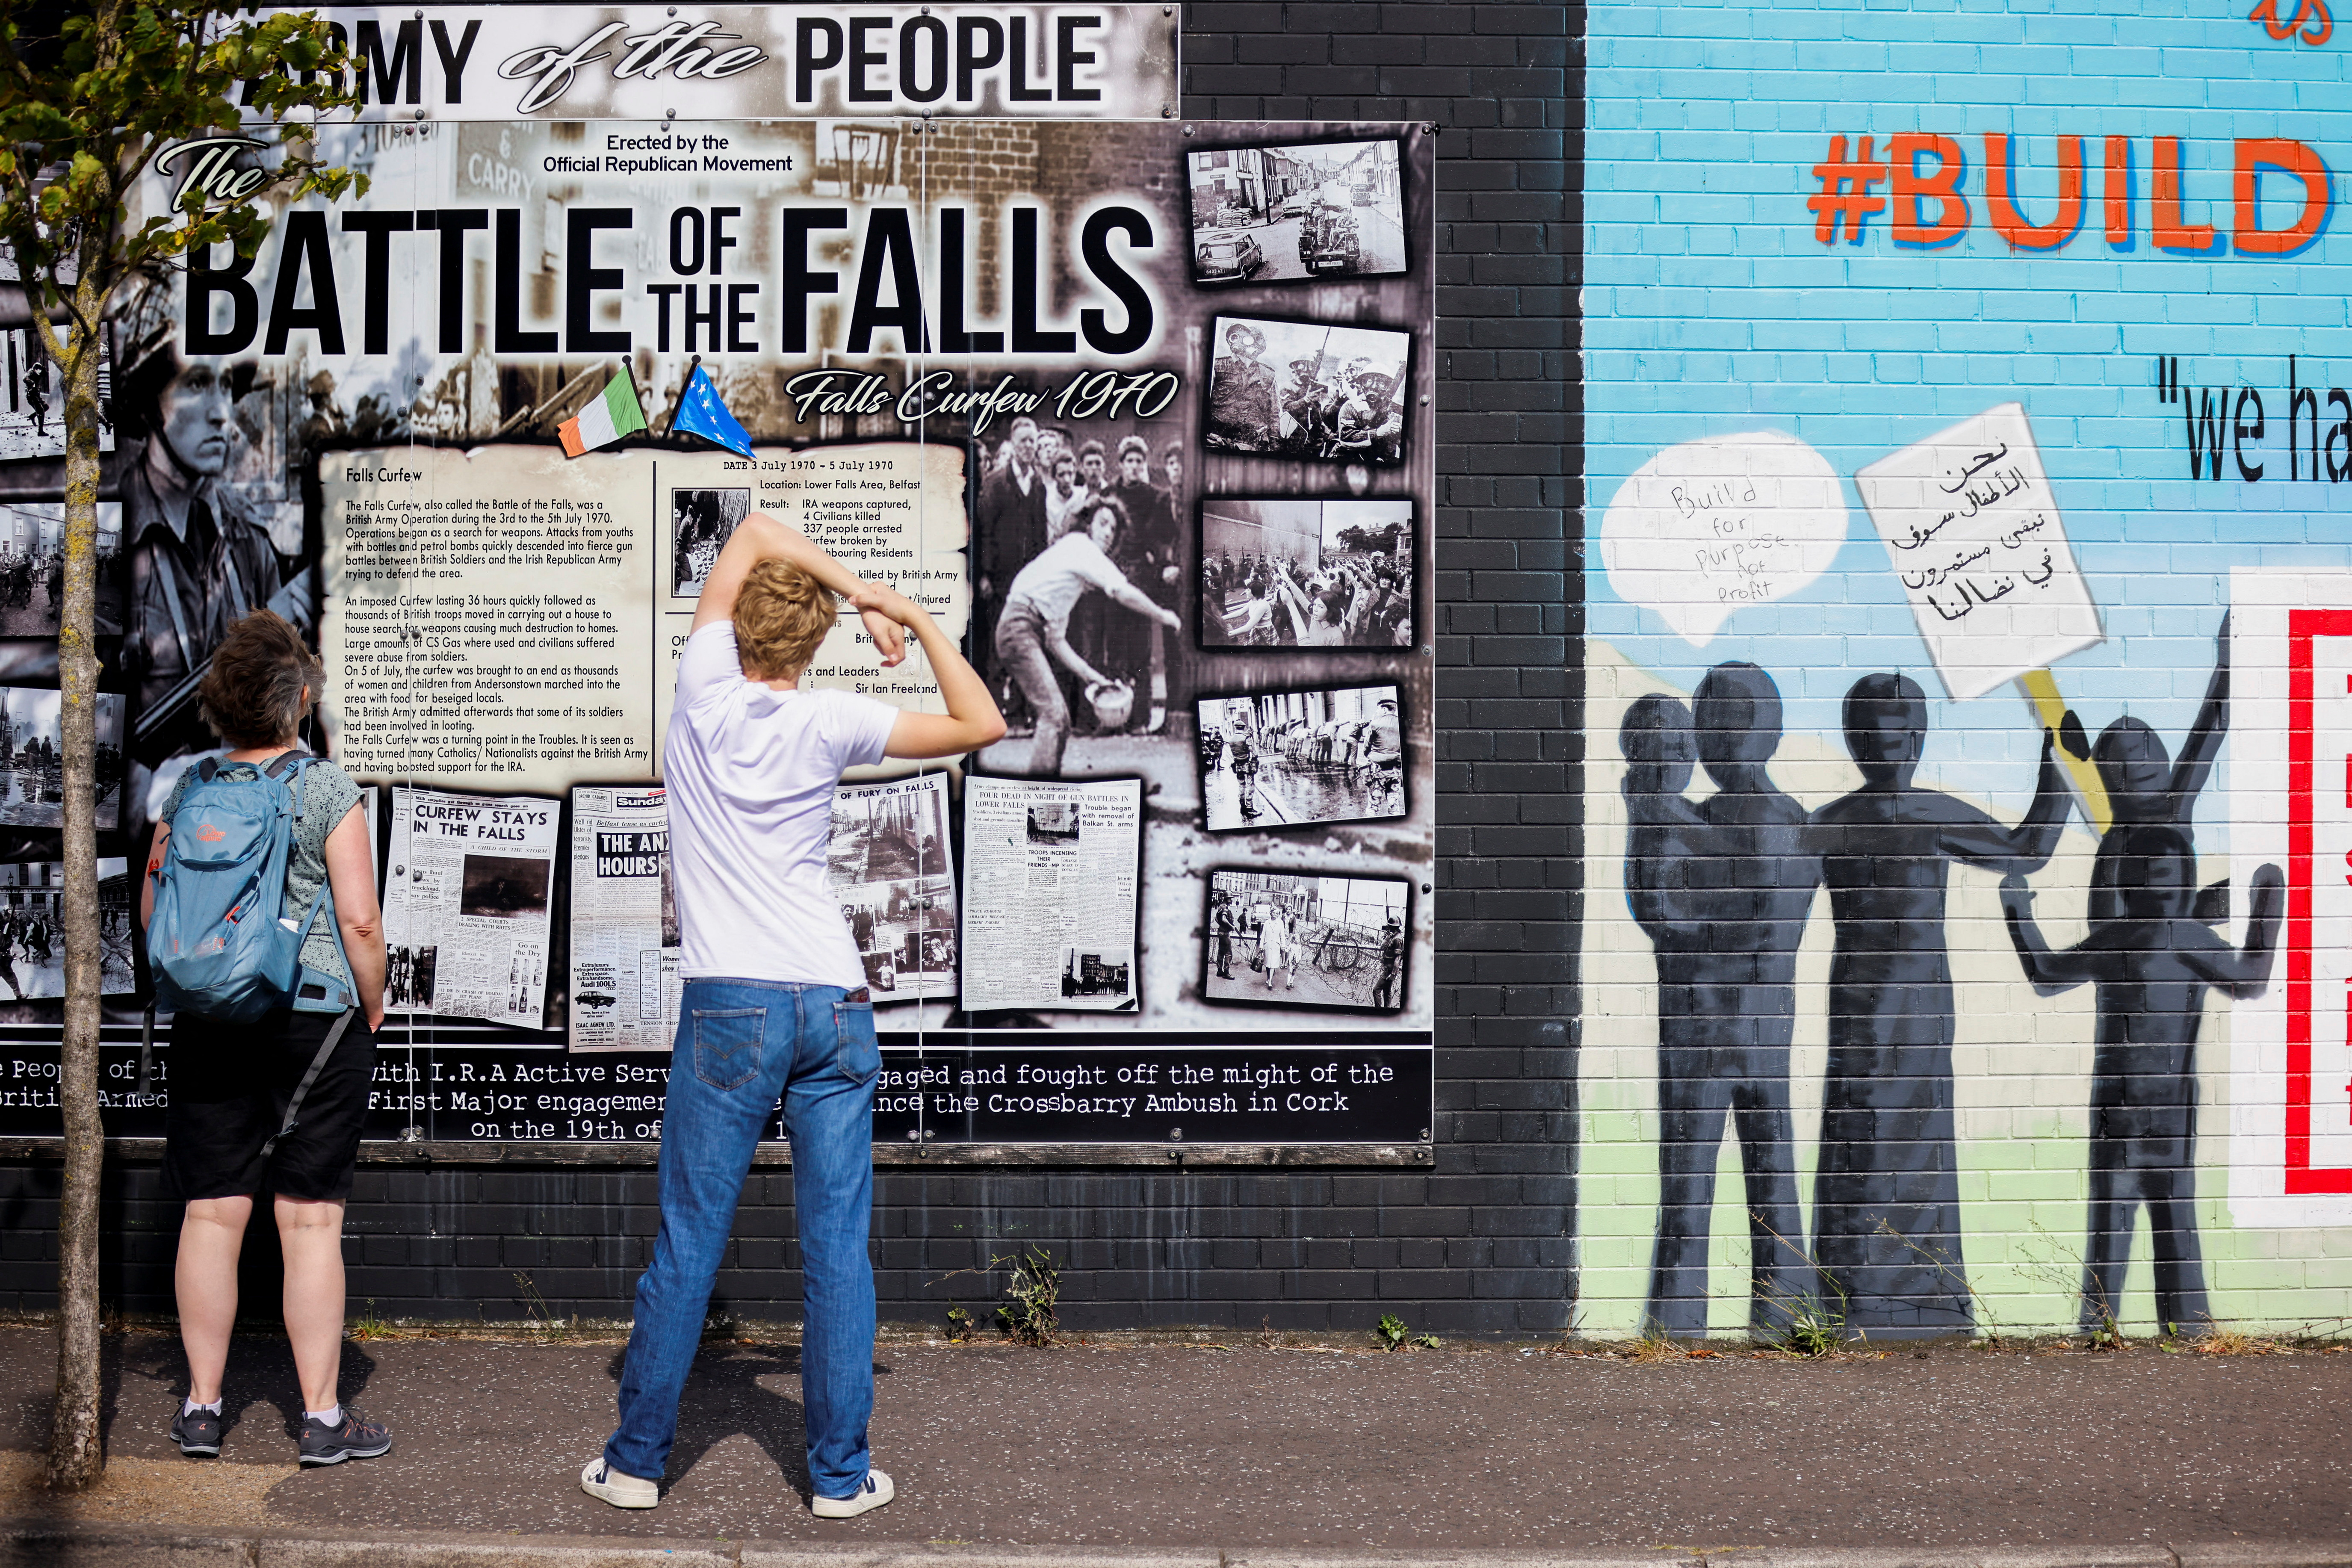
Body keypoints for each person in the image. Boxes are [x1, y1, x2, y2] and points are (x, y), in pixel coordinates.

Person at [583, 511, 1002, 1520]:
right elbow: (981, 721)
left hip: (731, 1003)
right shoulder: (832, 720)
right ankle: (839, 1474)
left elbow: (755, 528)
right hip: (834, 998)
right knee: (835, 1250)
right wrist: (902, 611)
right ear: (813, 644)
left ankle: (638, 1461)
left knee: (690, 1236)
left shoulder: (700, 692)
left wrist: (853, 584)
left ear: (733, 631)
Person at [148, 610, 388, 1467]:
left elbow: (155, 910)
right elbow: (359, 918)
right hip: (313, 1018)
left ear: (220, 703)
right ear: (302, 698)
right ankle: (321, 1421)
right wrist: (375, 1003)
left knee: (211, 1216)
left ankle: (203, 1409)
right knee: (309, 1223)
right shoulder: (323, 786)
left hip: (210, 1017)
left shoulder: (188, 787)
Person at [1810, 673, 2071, 1335]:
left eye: (1895, 731)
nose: (1892, 744)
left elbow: (2027, 850)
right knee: (1893, 1143)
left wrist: (2056, 770)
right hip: (1906, 997)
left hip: (1873, 997)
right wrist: (2058, 771)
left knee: (1870, 1141)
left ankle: (1863, 1298)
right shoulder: (1918, 814)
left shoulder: (1831, 822)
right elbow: (2029, 850)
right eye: (1884, 732)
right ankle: (1903, 1299)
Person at [2002, 831, 2281, 1333]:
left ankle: (2099, 1329)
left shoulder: (2125, 935)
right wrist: (2267, 902)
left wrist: (2018, 910)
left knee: (2114, 1229)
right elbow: (2251, 978)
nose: (2163, 886)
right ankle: (2186, 1330)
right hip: (2162, 1113)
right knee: (2172, 1224)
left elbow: (2046, 973)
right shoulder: (2183, 937)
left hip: (2121, 1110)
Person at [991, 496, 1181, 777]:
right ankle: (1036, 797)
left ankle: (1047, 788)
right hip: (1018, 627)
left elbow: (1057, 642)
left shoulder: (1069, 579)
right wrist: (1163, 615)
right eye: (1103, 523)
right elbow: (1120, 590)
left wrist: (1096, 679)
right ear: (1088, 525)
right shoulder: (1080, 545)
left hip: (1020, 627)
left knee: (1061, 720)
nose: (1108, 532)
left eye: (1113, 529)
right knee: (1054, 717)